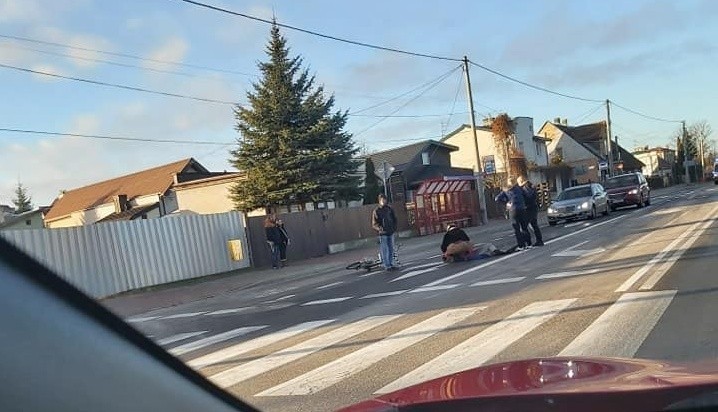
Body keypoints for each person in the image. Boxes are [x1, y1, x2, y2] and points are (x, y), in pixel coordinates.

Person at [441, 223, 516, 262]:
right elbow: (467, 241)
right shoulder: (461, 231)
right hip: (464, 248)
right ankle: (495, 251)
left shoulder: (447, 235)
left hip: (454, 253)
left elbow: (443, 248)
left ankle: (459, 257)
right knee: (488, 245)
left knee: (452, 255)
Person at [495, 177, 532, 250]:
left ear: (508, 183)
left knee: (516, 229)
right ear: (515, 182)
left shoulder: (506, 190)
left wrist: (507, 202)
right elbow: (528, 196)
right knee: (524, 227)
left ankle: (521, 246)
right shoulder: (520, 189)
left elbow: (497, 198)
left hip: (513, 210)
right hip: (522, 209)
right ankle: (529, 243)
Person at [371, 194, 398, 271]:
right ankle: (387, 265)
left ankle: (391, 263)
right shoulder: (376, 211)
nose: (383, 201)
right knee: (384, 249)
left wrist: (394, 227)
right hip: (383, 234)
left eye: (384, 200)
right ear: (379, 201)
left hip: (390, 232)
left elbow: (394, 219)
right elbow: (374, 224)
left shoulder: (389, 209)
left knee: (391, 249)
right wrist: (380, 228)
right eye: (382, 200)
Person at [518, 176, 544, 247]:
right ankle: (539, 240)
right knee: (534, 224)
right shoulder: (530, 186)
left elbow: (528, 196)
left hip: (529, 208)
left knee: (524, 226)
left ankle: (528, 242)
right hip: (533, 207)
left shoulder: (525, 187)